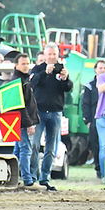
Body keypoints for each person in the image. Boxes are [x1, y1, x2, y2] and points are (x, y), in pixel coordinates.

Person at [30, 43, 73, 191]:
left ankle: (45, 178)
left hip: (55, 112)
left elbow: (68, 88)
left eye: (54, 54)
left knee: (51, 147)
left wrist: (65, 78)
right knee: (35, 145)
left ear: (57, 55)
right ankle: (32, 178)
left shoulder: (61, 69)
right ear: (45, 55)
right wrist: (45, 73)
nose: (51, 57)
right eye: (49, 54)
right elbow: (33, 83)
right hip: (40, 112)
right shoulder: (38, 69)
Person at [11, 53, 40, 187]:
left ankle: (12, 176)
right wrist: (29, 123)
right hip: (22, 121)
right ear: (16, 65)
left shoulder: (24, 80)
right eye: (23, 64)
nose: (26, 66)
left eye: (28, 63)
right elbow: (20, 105)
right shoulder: (19, 81)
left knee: (18, 150)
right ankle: (27, 179)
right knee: (25, 149)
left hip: (20, 121)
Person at [81, 59, 105, 178]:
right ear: (95, 70)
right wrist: (87, 120)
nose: (103, 70)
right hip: (94, 119)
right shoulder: (90, 86)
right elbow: (85, 104)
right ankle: (99, 168)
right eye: (100, 68)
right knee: (97, 144)